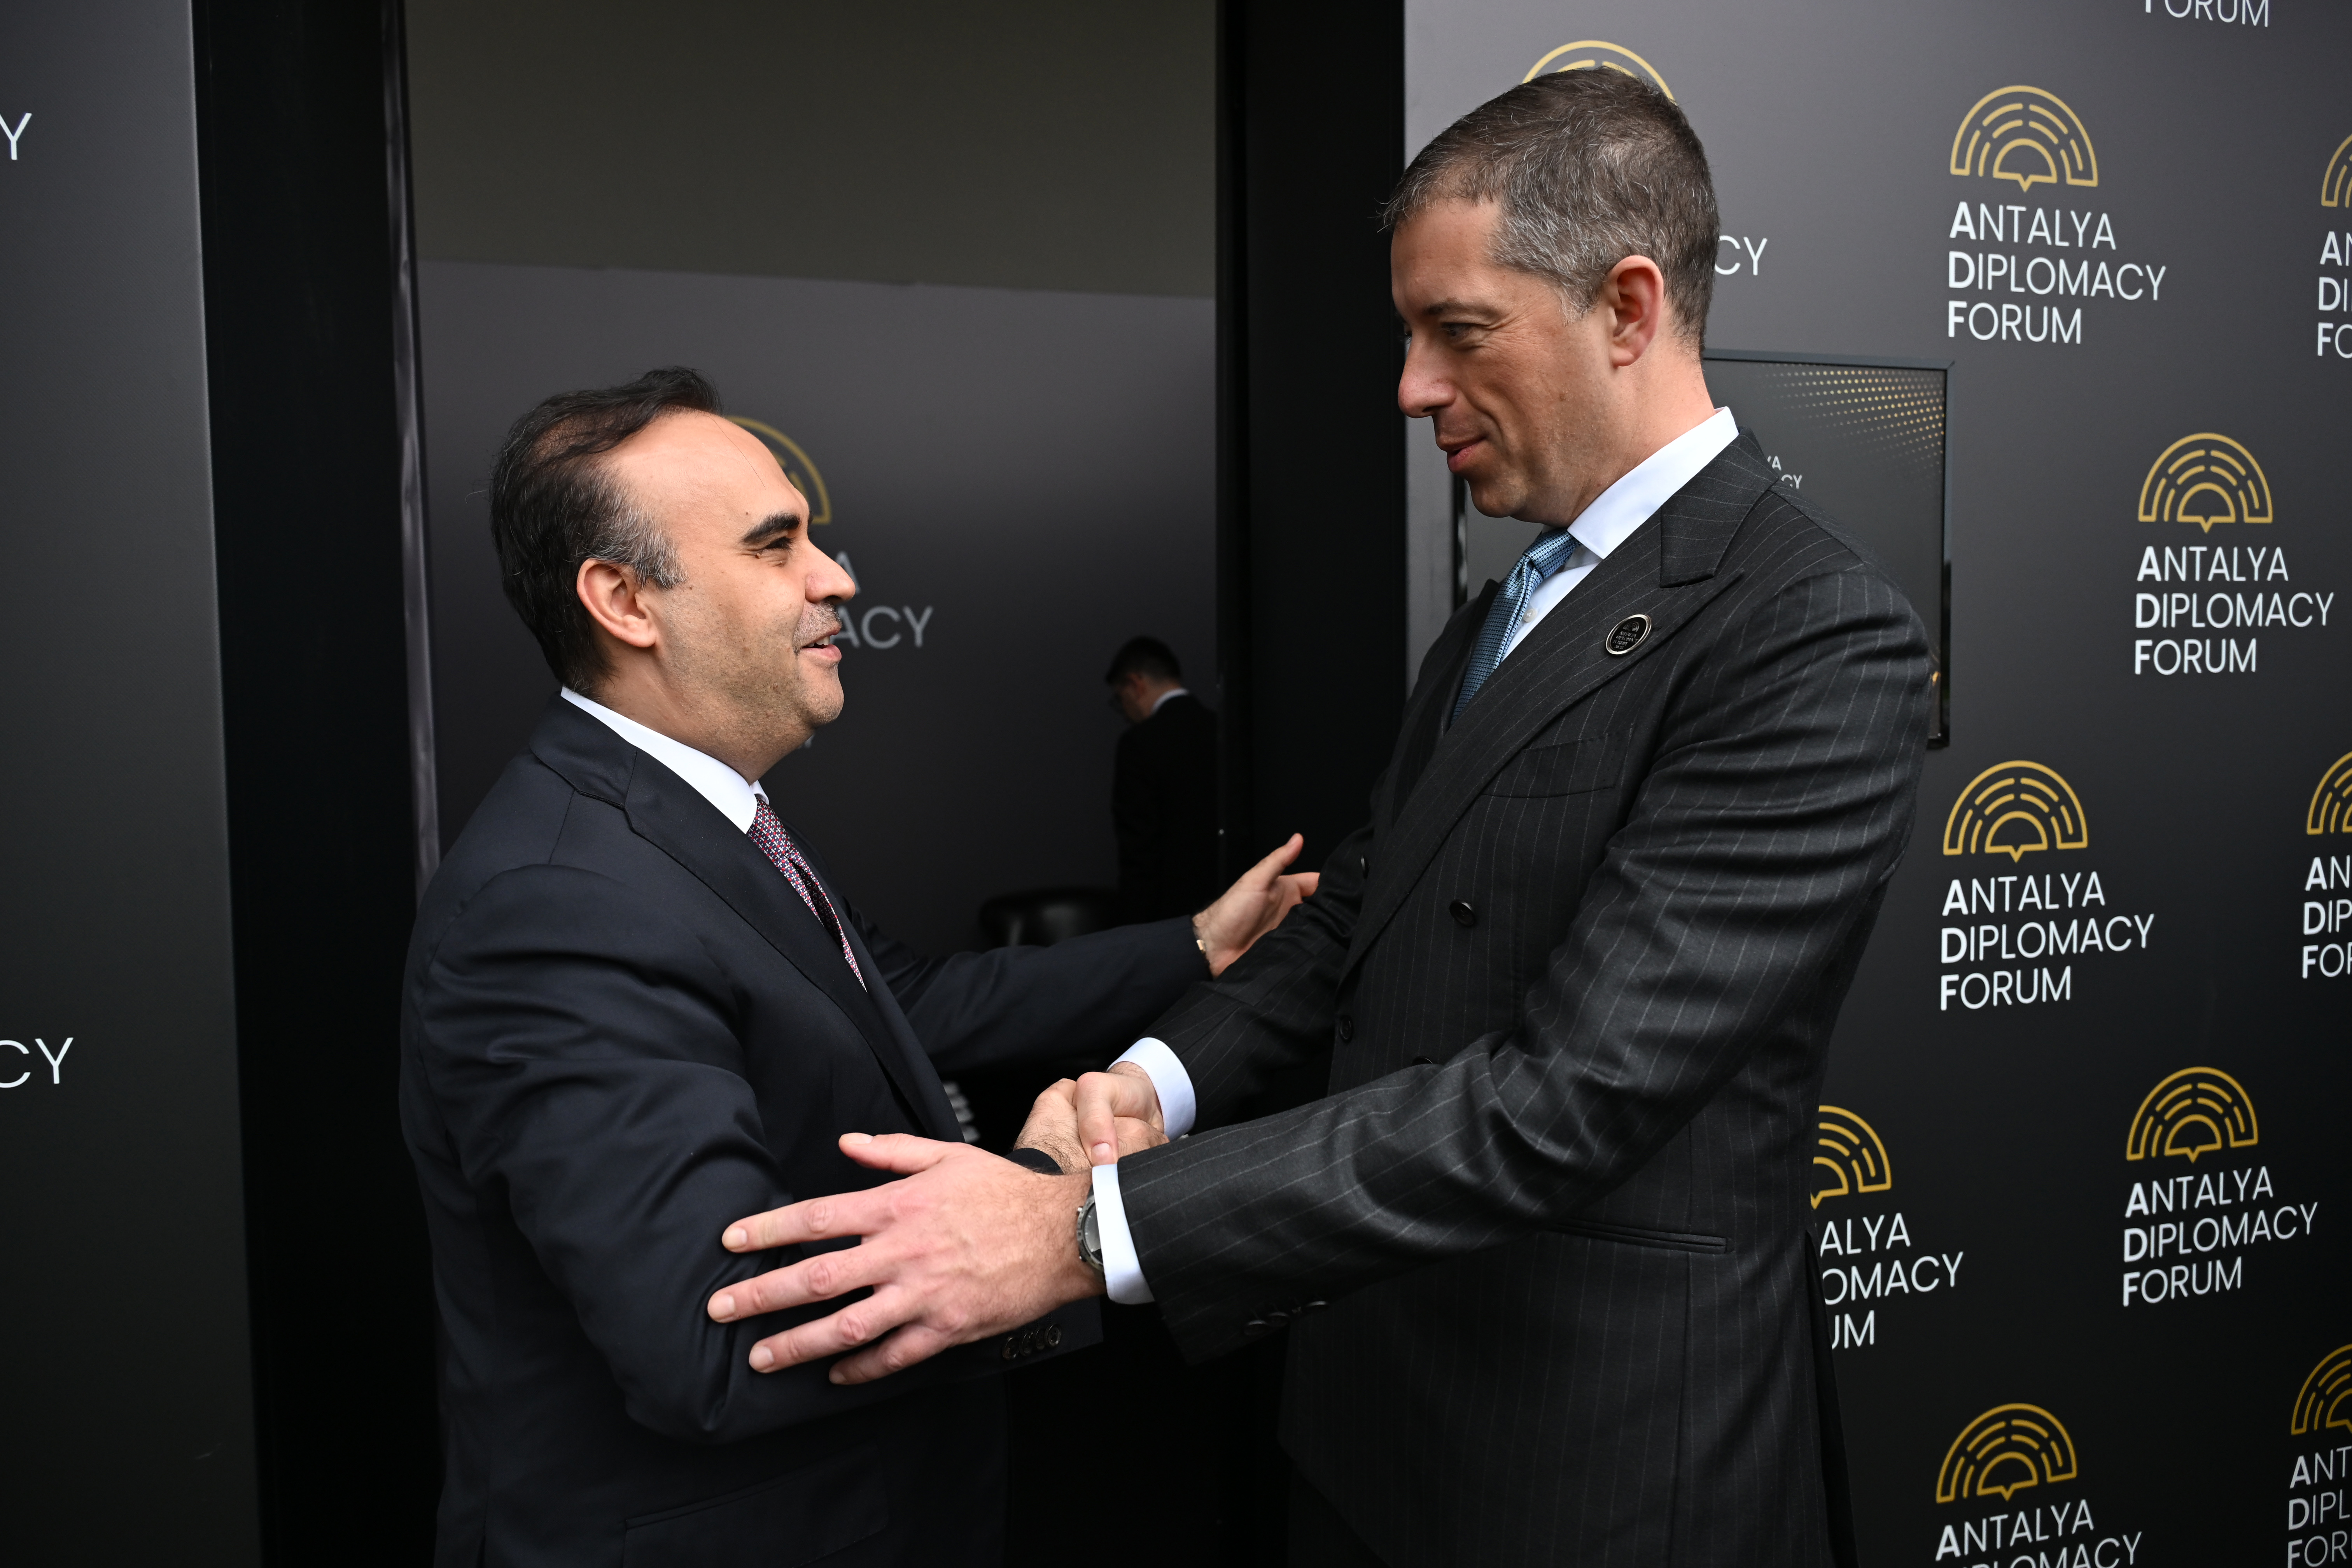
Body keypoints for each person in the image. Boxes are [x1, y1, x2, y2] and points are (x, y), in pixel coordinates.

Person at [701, 69, 1929, 1568]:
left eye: (1455, 331)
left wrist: (1083, 1228)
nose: (1409, 388)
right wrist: (1153, 1084)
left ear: (1624, 307)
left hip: (1592, 1463)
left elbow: (1572, 1096)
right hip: (1367, 1416)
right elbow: (1357, 911)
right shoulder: (1500, 612)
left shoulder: (1806, 629)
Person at [397, 367, 1315, 1566]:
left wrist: (1198, 945)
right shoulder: (559, 901)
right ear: (626, 601)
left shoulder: (703, 820)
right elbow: (716, 1339)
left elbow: (912, 1002)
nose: (836, 577)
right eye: (775, 545)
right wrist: (1042, 1192)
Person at [1104, 635, 1221, 921]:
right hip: (1229, 903)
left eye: (1120, 700)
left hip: (1170, 915)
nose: (1125, 713)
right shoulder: (1224, 730)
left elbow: (1139, 854)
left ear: (1135, 685)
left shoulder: (1139, 744)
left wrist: (1132, 928)